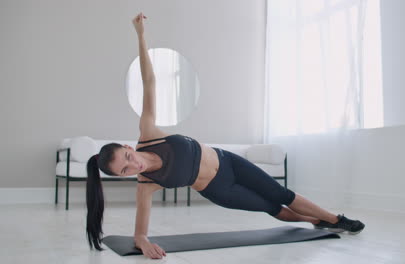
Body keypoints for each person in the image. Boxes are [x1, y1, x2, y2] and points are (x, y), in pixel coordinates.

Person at [85, 12, 365, 260]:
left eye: (128, 158)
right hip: (220, 190)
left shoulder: (148, 135)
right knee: (272, 208)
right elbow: (140, 231)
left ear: (127, 147)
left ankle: (336, 219)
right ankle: (313, 221)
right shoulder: (146, 183)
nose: (134, 167)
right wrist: (143, 243)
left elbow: (150, 82)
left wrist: (141, 35)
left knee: (281, 194)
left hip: (228, 161)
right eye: (125, 171)